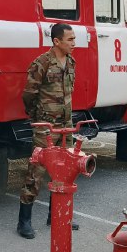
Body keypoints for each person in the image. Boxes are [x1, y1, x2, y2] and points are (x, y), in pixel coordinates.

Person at [17, 23, 77, 239]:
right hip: (46, 128)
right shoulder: (41, 63)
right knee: (36, 173)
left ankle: (57, 216)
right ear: (56, 41)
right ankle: (24, 221)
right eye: (70, 39)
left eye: (74, 39)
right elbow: (29, 94)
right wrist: (37, 118)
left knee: (65, 171)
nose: (74, 43)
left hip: (66, 127)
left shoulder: (71, 62)